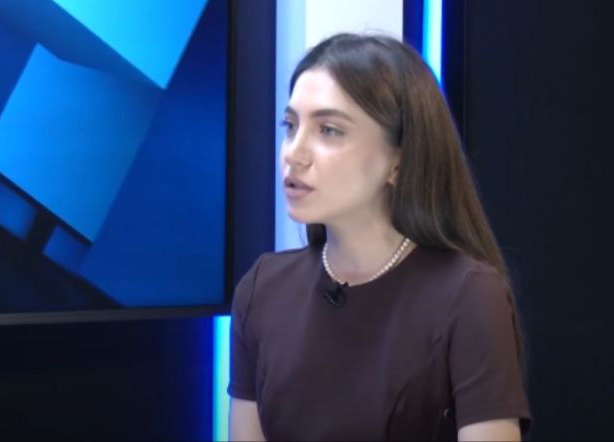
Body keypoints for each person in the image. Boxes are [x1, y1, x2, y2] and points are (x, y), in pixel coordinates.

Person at [227, 33, 531, 441]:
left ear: (398, 162)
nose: (293, 153)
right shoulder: (262, 289)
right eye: (291, 126)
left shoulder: (469, 296)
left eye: (329, 130)